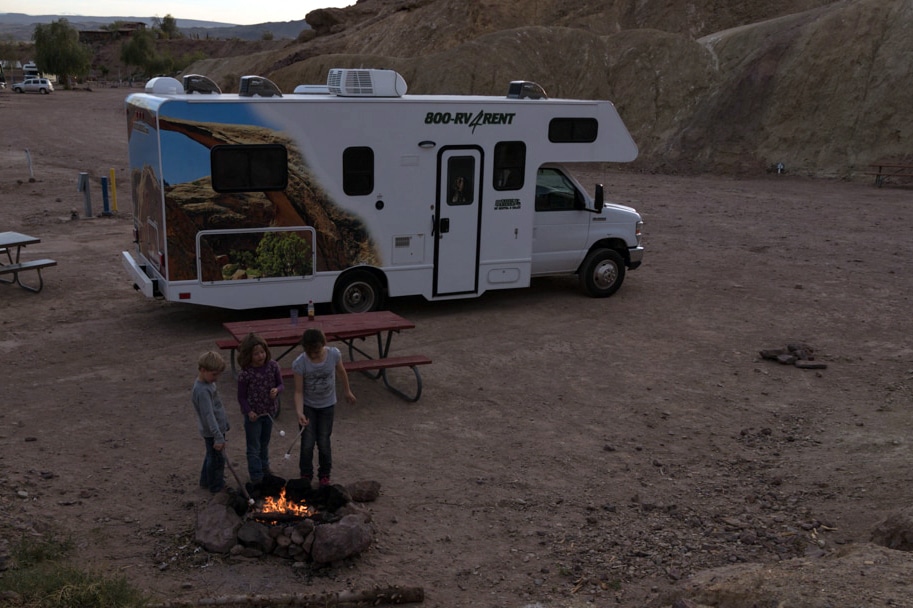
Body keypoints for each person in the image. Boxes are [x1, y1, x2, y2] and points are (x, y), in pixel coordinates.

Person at [292, 327, 356, 487]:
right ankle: (306, 474)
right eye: (310, 353)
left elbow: (341, 372)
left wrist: (347, 390)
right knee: (307, 442)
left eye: (317, 352)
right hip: (309, 407)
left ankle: (324, 475)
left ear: (323, 345)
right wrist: (299, 412)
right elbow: (298, 391)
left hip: (327, 406)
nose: (314, 356)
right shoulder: (300, 363)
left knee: (324, 441)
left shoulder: (334, 354)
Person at [237, 333, 284, 485]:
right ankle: (256, 475)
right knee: (253, 446)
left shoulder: (273, 366)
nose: (260, 356)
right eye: (256, 353)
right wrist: (248, 411)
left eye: (262, 352)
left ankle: (265, 468)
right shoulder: (245, 374)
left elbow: (281, 384)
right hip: (254, 416)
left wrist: (277, 390)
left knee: (264, 443)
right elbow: (241, 397)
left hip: (269, 413)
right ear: (248, 355)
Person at [192, 351, 229, 494]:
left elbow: (217, 407)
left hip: (218, 428)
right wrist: (218, 436)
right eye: (214, 374)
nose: (217, 378)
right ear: (202, 370)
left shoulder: (209, 384)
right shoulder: (202, 391)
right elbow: (209, 415)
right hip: (213, 432)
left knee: (210, 456)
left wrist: (225, 423)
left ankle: (205, 480)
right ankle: (216, 486)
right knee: (217, 460)